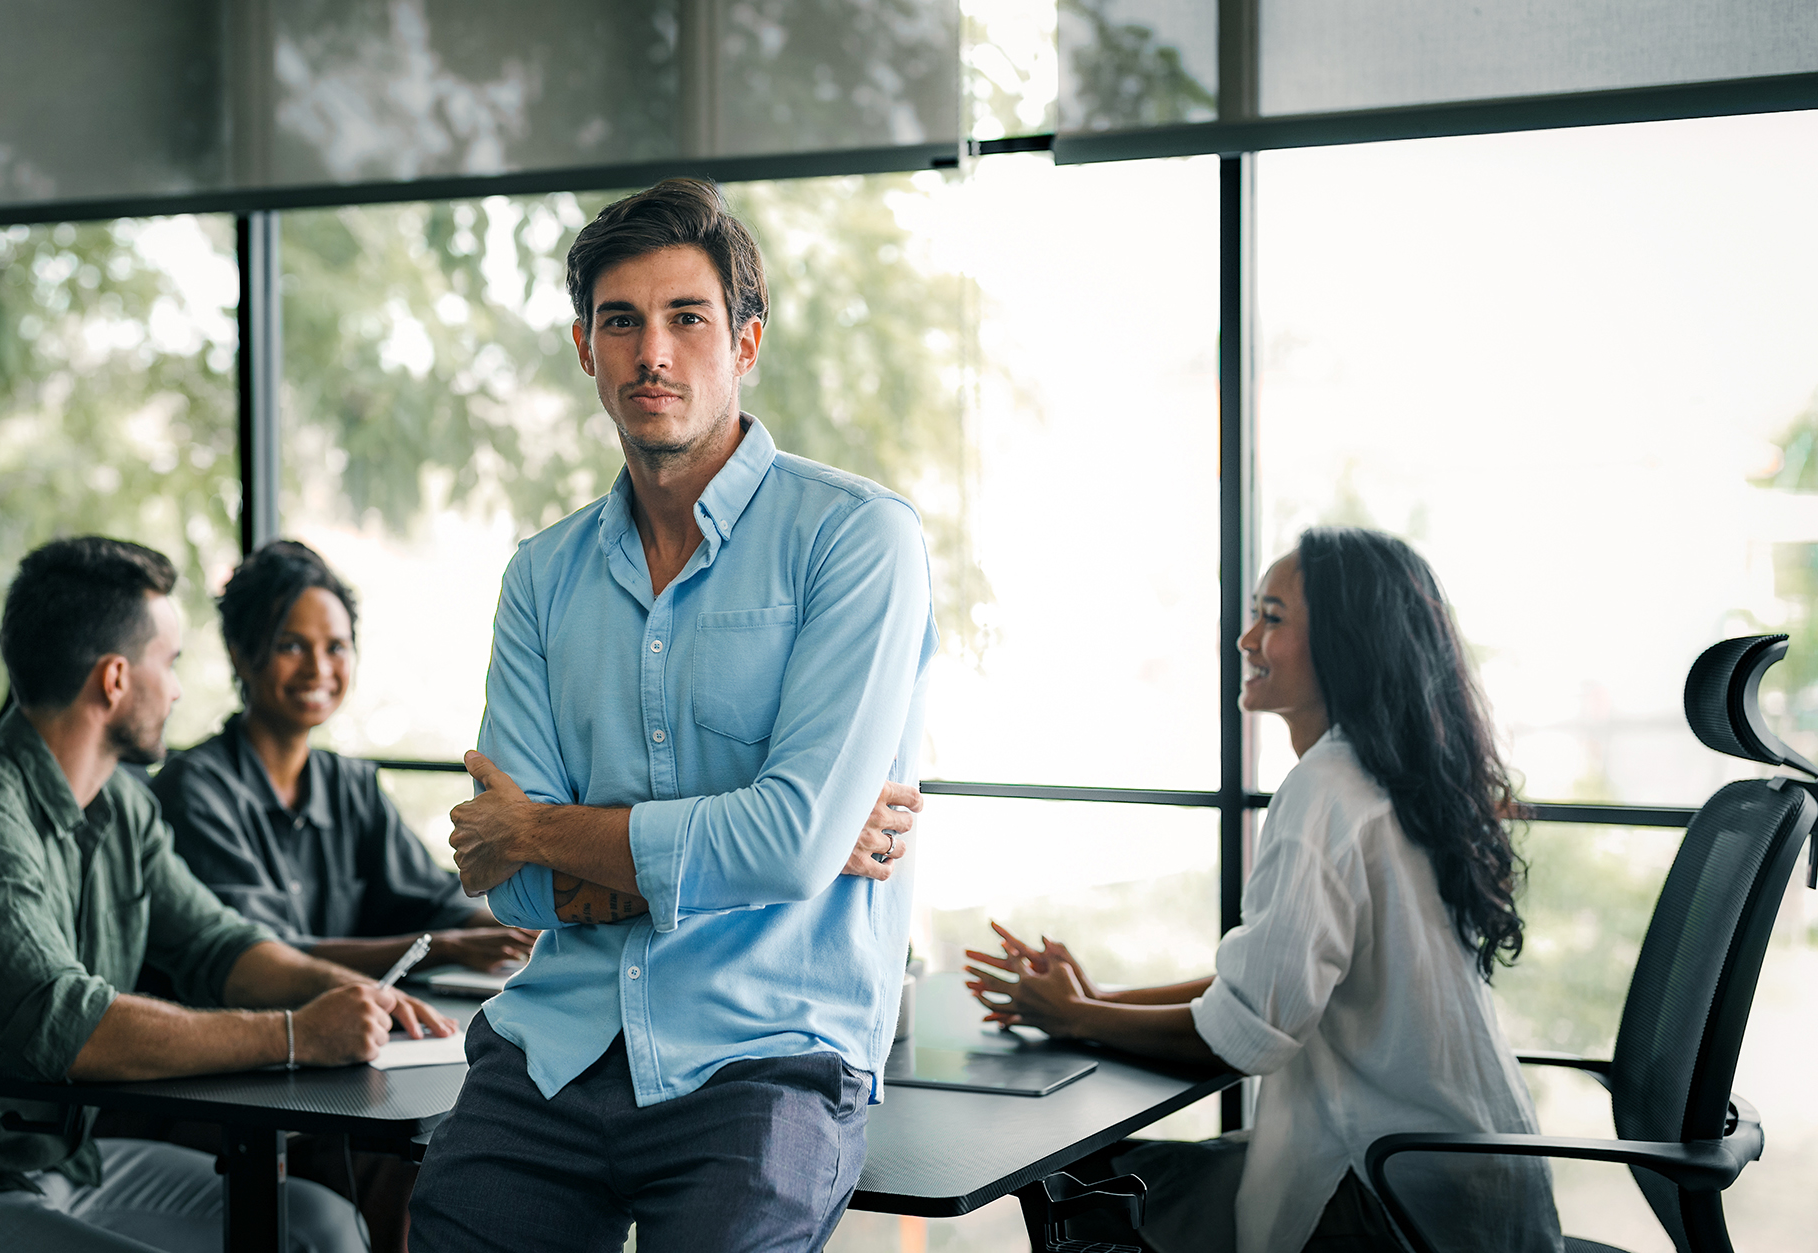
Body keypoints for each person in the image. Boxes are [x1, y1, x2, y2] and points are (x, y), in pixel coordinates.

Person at [407, 177, 936, 1253]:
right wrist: (754, 850)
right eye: (620, 322)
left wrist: (548, 829)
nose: (652, 352)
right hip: (554, 1048)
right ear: (584, 348)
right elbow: (510, 884)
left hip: (768, 1057)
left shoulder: (856, 540)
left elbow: (783, 843)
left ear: (745, 342)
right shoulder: (542, 576)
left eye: (686, 317)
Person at [0, 536, 456, 1253]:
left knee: (321, 1228)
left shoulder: (124, 806)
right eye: (171, 662)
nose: (179, 690)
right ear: (115, 679)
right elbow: (73, 1027)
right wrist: (296, 1035)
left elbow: (219, 945)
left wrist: (350, 993)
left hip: (62, 1161)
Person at [966, 527, 1560, 1253]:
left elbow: (1243, 1032)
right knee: (1114, 1184)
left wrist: (1076, 1017)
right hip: (1462, 1180)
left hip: (1395, 1200)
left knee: (1084, 1194)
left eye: (1272, 618)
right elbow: (1266, 988)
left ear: (1346, 644)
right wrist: (1098, 999)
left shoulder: (1327, 790)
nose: (1246, 638)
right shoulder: (1397, 779)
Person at [154, 539, 536, 982]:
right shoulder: (194, 791)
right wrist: (440, 947)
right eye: (290, 646)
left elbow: (431, 900)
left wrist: (522, 933)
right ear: (240, 655)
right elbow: (260, 956)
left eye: (335, 647)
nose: (318, 669)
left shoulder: (350, 785)